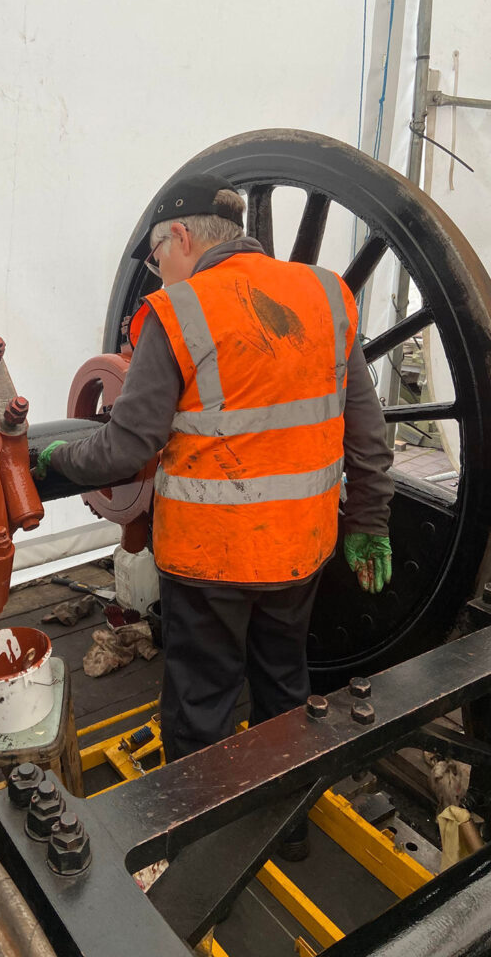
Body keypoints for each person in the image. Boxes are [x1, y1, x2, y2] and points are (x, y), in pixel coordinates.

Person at [36, 173, 393, 852]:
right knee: (284, 691)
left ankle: (200, 859)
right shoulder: (327, 296)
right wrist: (370, 523)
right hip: (300, 554)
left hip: (211, 564)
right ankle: (286, 835)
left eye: (154, 257)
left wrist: (56, 461)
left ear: (181, 237)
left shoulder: (179, 314)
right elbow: (368, 435)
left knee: (202, 710)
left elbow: (124, 448)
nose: (156, 272)